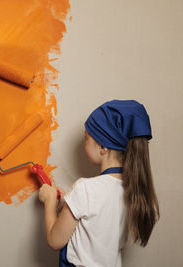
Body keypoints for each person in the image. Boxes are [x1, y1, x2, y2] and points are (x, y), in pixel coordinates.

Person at [38, 100, 159, 267]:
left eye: (86, 138)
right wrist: (67, 203)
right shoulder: (134, 191)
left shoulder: (85, 188)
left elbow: (54, 240)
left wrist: (49, 202)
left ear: (103, 146)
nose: (84, 144)